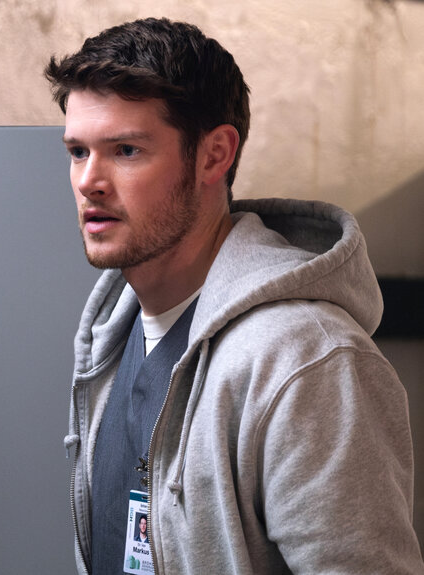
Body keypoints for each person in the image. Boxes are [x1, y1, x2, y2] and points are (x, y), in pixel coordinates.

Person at [45, 17, 424, 574]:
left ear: (214, 155)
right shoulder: (112, 337)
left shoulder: (305, 360)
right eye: (78, 151)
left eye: (125, 150)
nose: (89, 181)